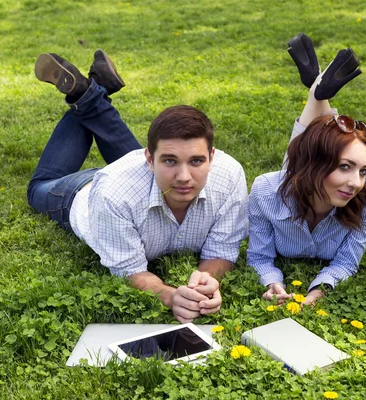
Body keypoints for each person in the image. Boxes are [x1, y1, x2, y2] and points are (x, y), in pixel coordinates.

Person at [27, 50, 248, 323]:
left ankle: (89, 92)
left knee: (153, 175)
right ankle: (87, 94)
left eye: (196, 161)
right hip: (79, 192)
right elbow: (129, 269)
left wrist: (207, 280)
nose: (184, 177)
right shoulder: (113, 193)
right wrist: (168, 295)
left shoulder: (229, 176)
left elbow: (222, 251)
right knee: (38, 188)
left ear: (212, 157)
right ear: (149, 159)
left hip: (138, 183)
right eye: (170, 160)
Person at [247, 34, 366, 306]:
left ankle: (317, 91)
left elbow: (346, 261)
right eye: (345, 167)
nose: (356, 183)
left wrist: (317, 292)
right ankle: (320, 90)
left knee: (311, 151)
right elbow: (259, 257)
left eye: (363, 170)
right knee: (299, 161)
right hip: (294, 182)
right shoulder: (264, 190)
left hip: (308, 173)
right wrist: (273, 283)